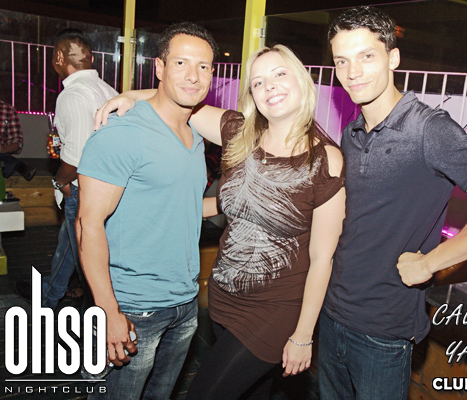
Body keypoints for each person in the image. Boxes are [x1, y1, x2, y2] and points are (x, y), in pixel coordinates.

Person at [95, 44, 345, 400]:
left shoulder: (325, 159)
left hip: (275, 309)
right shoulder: (239, 132)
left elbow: (322, 257)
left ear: (302, 81)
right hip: (224, 297)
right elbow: (175, 101)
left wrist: (304, 335)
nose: (270, 86)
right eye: (258, 82)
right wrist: (127, 97)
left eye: (279, 74)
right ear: (252, 95)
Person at [318, 6, 467, 399]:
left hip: (383, 330)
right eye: (341, 61)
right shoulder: (352, 131)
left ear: (393, 58)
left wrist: (431, 263)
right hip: (332, 314)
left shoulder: (428, 128)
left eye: (366, 56)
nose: (353, 72)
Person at [76, 22, 217, 399]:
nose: (193, 75)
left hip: (183, 304)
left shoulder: (196, 136)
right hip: (132, 307)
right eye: (181, 63)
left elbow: (181, 205)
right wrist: (108, 311)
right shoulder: (122, 132)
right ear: (159, 67)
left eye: (203, 66)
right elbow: (88, 223)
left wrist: (235, 202)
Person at [14, 28, 118, 310]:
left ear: (59, 58)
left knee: (86, 259)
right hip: (108, 188)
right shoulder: (109, 91)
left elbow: (78, 156)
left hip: (84, 190)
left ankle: (96, 315)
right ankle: (49, 294)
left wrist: (59, 182)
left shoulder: (72, 95)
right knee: (70, 246)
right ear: (91, 58)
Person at [0, 100, 36, 181]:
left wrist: (3, 148)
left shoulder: (8, 110)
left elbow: (17, 144)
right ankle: (16, 165)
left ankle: (13, 164)